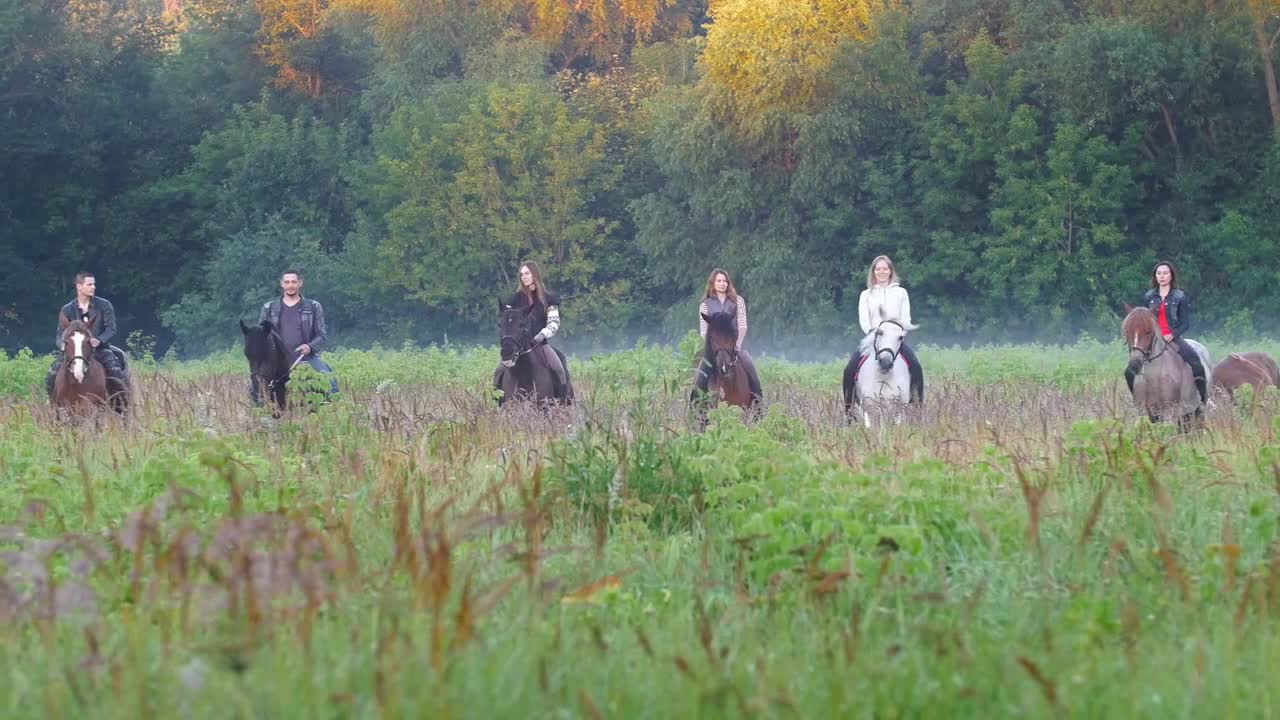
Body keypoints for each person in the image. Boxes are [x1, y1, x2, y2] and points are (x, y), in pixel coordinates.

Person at [248, 269, 338, 404]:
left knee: (328, 381)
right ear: (282, 284)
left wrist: (309, 346)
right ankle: (261, 415)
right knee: (255, 388)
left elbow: (321, 335)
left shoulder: (313, 306)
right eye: (287, 282)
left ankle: (329, 406)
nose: (290, 285)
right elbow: (261, 337)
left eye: (294, 282)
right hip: (277, 360)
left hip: (305, 358)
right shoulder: (269, 308)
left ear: (300, 283)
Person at [45, 272, 129, 401]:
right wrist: (62, 344)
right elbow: (59, 334)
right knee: (51, 376)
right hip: (73, 352)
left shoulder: (104, 305)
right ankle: (54, 407)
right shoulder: (67, 309)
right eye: (89, 284)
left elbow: (111, 329)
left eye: (94, 284)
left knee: (116, 373)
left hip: (99, 350)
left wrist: (99, 340)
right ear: (79, 286)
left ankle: (121, 408)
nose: (93, 287)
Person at [1131, 260, 1207, 403]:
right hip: (1152, 339)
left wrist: (1172, 334)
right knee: (1130, 369)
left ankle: (1204, 398)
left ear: (1171, 276)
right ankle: (1137, 401)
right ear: (1155, 276)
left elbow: (1185, 323)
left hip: (1173, 337)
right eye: (1159, 273)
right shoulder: (1149, 296)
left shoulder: (1179, 296)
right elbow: (1144, 320)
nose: (1162, 276)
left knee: (1196, 362)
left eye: (1165, 273)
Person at [856, 255, 924, 402]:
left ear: (890, 271)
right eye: (878, 269)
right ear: (873, 272)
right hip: (873, 340)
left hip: (894, 339)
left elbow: (906, 319)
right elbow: (864, 320)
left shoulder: (901, 293)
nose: (881, 272)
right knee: (850, 368)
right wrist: (873, 333)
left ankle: (917, 405)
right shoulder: (866, 295)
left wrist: (898, 334)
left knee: (916, 367)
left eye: (885, 268)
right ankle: (849, 411)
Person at [503, 261, 571, 400]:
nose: (524, 277)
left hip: (540, 344)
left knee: (559, 367)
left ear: (534, 274)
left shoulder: (548, 299)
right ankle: (499, 402)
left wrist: (542, 334)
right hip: (518, 346)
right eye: (521, 274)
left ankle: (564, 401)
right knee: (498, 372)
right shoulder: (515, 299)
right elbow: (507, 320)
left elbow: (554, 322)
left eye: (527, 273)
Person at [695, 268, 762, 398]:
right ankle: (695, 409)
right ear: (712, 283)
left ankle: (758, 407)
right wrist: (711, 350)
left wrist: (737, 345)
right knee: (699, 380)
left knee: (752, 374)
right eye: (719, 280)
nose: (722, 283)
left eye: (725, 281)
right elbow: (704, 331)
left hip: (735, 346)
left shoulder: (738, 301)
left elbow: (742, 326)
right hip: (714, 349)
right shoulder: (705, 305)